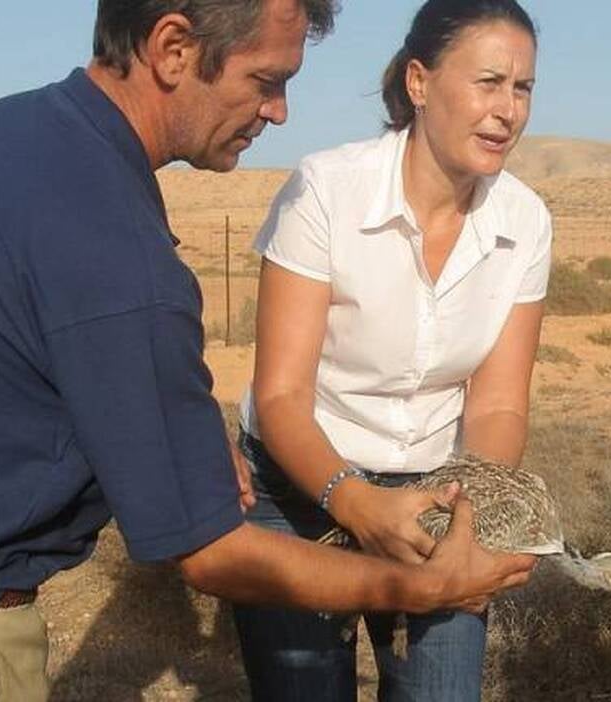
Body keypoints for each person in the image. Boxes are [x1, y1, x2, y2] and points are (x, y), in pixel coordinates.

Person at [0, 1, 537, 699]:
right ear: (173, 48)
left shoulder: (6, 133)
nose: (278, 111)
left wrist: (194, 423)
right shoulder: (116, 245)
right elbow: (212, 555)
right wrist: (414, 591)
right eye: (265, 80)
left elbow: (49, 356)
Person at [232, 0, 548, 699]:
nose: (508, 110)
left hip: (439, 494)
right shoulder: (326, 191)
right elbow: (282, 395)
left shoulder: (524, 221)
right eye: (489, 81)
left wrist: (472, 520)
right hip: (301, 486)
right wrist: (356, 503)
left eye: (522, 88)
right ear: (419, 82)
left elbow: (498, 404)